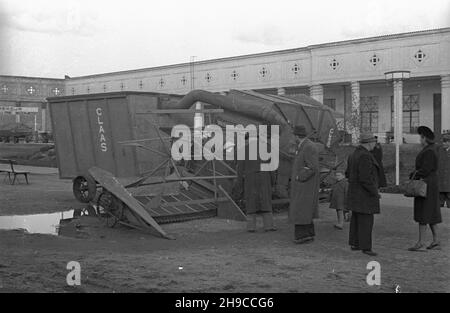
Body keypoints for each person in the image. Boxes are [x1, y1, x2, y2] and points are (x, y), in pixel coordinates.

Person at [345, 132, 380, 256]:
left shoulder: (353, 154)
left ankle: (355, 243)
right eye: (374, 142)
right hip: (365, 194)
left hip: (355, 193)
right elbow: (365, 178)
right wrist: (374, 192)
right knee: (366, 220)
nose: (375, 145)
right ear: (370, 143)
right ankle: (366, 247)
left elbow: (347, 173)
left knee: (356, 219)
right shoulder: (365, 156)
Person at [408, 126, 442, 252]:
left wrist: (414, 174)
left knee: (423, 212)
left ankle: (421, 243)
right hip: (431, 184)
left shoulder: (428, 151)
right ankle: (436, 241)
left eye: (420, 137)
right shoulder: (432, 149)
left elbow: (425, 169)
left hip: (425, 184)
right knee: (431, 213)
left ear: (425, 138)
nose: (419, 140)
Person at [236, 134, 276, 232]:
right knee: (266, 200)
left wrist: (240, 184)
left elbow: (240, 170)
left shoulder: (243, 150)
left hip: (250, 179)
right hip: (265, 177)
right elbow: (273, 167)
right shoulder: (267, 147)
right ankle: (269, 225)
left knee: (251, 201)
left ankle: (251, 227)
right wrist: (273, 182)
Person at [288, 125, 320, 244]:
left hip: (304, 185)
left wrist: (299, 176)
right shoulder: (304, 146)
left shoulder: (308, 147)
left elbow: (313, 167)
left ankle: (302, 236)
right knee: (304, 210)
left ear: (296, 136)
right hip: (304, 185)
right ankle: (308, 234)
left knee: (300, 210)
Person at [437, 134, 450, 208]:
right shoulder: (439, 150)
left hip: (449, 183)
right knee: (439, 206)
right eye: (443, 142)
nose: (444, 143)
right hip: (440, 182)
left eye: (446, 142)